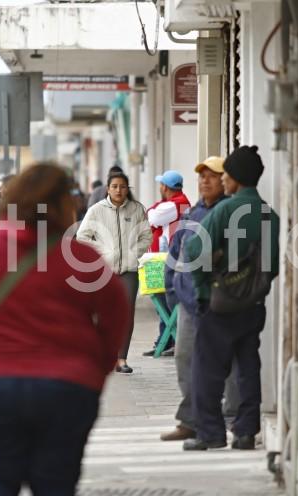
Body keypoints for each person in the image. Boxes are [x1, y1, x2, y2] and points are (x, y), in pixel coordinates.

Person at [0, 163, 129, 495]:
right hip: (67, 388)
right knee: (55, 483)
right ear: (63, 205)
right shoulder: (82, 258)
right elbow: (116, 319)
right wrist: (95, 368)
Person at [183, 146, 280, 451]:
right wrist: (253, 289)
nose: (223, 180)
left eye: (226, 174)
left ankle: (210, 433)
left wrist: (203, 290)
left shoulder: (224, 210)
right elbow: (273, 264)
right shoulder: (269, 215)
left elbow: (195, 252)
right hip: (253, 305)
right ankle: (245, 432)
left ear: (236, 177)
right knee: (248, 368)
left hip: (218, 303)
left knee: (207, 371)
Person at [161, 156, 237, 441]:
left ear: (225, 180)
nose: (205, 180)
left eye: (212, 175)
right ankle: (191, 419)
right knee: (185, 358)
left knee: (225, 362)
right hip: (189, 302)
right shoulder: (193, 213)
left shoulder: (229, 212)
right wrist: (173, 290)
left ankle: (231, 418)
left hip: (217, 300)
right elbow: (177, 254)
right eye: (201, 175)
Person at [77, 172, 152, 374]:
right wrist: (103, 253)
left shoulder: (137, 210)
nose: (119, 190)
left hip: (129, 270)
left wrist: (133, 252)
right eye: (115, 186)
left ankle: (122, 359)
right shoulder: (96, 211)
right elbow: (82, 237)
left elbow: (146, 236)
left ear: (128, 189)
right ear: (108, 189)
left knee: (126, 314)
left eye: (123, 187)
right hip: (103, 271)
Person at [144, 170, 191, 357]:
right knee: (162, 301)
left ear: (165, 186)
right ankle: (164, 340)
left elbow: (151, 217)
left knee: (163, 301)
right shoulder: (175, 204)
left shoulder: (175, 205)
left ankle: (168, 340)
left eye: (161, 184)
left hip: (167, 258)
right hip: (165, 256)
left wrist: (152, 211)